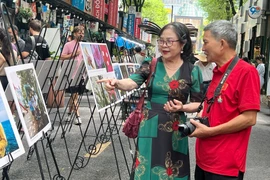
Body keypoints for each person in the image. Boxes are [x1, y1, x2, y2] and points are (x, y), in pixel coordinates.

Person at [98, 22, 204, 179]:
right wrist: (117, 83)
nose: (164, 45)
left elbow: (199, 104)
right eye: (161, 41)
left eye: (169, 41)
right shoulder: (152, 63)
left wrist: (183, 107)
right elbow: (133, 81)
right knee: (146, 170)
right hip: (149, 125)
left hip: (175, 130)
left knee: (172, 171)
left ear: (183, 43)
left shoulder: (192, 70)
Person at [190, 20, 260, 180]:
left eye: (206, 42)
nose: (203, 48)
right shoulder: (217, 72)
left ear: (221, 44)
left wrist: (210, 132)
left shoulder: (246, 72)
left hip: (225, 167)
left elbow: (250, 118)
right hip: (203, 161)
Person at [60, 26, 85, 125]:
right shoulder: (68, 45)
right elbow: (62, 57)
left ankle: (69, 114)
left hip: (81, 74)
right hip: (71, 74)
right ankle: (78, 116)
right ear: (74, 34)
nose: (81, 34)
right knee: (74, 95)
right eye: (79, 32)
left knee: (75, 96)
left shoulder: (83, 45)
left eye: (82, 33)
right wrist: (73, 54)